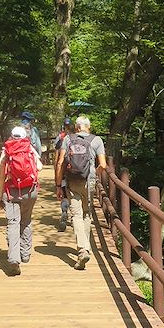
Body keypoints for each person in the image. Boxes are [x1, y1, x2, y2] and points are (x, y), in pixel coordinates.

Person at [55, 115, 106, 270]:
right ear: (88, 127)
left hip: (72, 181)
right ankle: (86, 248)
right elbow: (103, 165)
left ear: (77, 127)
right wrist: (94, 173)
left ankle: (82, 249)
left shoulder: (68, 139)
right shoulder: (97, 140)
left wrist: (59, 185)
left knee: (76, 214)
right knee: (87, 214)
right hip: (88, 181)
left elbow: (60, 162)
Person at [0, 125, 43, 275]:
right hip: (30, 192)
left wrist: (0, 195)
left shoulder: (7, 150)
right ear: (25, 136)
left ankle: (13, 258)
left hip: (11, 192)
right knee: (26, 220)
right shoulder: (29, 148)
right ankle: (25, 254)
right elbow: (40, 167)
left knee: (13, 223)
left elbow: (1, 174)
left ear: (11, 135)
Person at [53, 118, 73, 231]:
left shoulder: (61, 138)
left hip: (64, 171)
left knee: (64, 194)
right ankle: (76, 217)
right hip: (77, 173)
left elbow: (57, 159)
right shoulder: (78, 138)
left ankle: (64, 212)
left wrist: (57, 177)